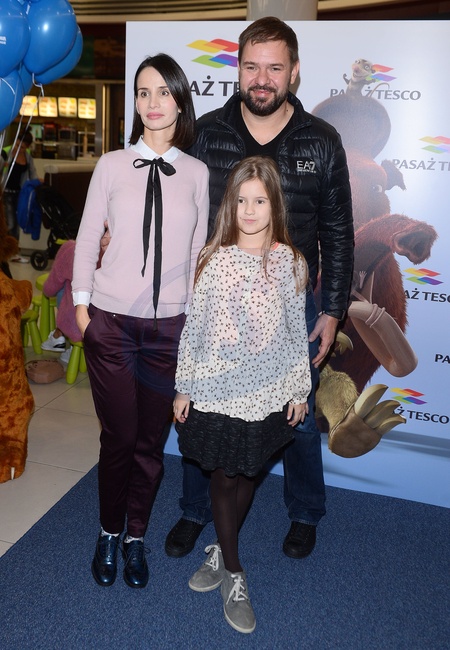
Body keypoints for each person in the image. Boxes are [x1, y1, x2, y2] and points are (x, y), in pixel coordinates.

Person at [165, 16, 354, 561]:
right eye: (252, 67)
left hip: (291, 300)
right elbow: (175, 208)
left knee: (298, 415)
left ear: (294, 72)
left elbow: (338, 231)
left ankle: (305, 512)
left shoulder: (322, 140)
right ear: (238, 69)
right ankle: (195, 510)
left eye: (274, 67)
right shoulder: (206, 132)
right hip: (220, 295)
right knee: (205, 411)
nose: (262, 78)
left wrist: (332, 310)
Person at [72, 54, 209, 589]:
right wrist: (82, 309)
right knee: (119, 438)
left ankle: (135, 536)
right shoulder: (110, 165)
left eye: (163, 92)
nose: (153, 103)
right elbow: (88, 237)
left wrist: (192, 325)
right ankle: (108, 531)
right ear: (134, 101)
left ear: (180, 100)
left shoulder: (196, 173)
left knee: (151, 443)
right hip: (110, 324)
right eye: (143, 92)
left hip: (169, 331)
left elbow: (197, 253)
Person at [174, 156, 311, 634]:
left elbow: (295, 333)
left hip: (266, 394)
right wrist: (184, 385)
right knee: (222, 475)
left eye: (260, 201)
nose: (249, 211)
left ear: (275, 207)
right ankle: (233, 571)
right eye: (241, 201)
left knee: (247, 472)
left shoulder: (292, 263)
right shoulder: (212, 259)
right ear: (229, 205)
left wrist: (299, 389)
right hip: (215, 390)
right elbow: (195, 328)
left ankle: (218, 548)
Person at [41, 240, 81, 364]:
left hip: (77, 317)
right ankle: (62, 337)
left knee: (63, 285)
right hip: (109, 321)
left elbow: (49, 289)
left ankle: (59, 335)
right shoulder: (118, 253)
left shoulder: (70, 249)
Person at [1, 129, 38, 262]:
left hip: (20, 195)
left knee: (16, 224)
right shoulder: (5, 153)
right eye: (17, 145)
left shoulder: (28, 158)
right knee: (10, 224)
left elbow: (32, 174)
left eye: (22, 147)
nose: (18, 149)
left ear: (27, 147)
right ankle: (9, 252)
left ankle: (12, 251)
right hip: (5, 193)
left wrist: (37, 183)